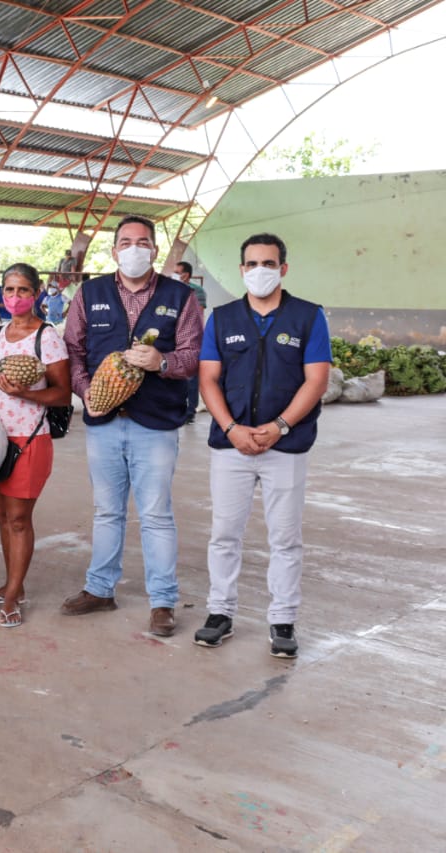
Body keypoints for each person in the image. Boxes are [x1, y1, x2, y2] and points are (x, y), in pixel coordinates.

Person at [60, 215, 203, 637]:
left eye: (143, 242)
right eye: (126, 241)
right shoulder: (90, 293)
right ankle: (100, 589)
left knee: (156, 513)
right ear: (114, 250)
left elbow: (195, 354)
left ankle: (162, 601)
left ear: (155, 250)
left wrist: (163, 362)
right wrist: (87, 392)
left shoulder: (181, 296)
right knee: (107, 511)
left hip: (155, 423)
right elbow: (74, 349)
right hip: (104, 422)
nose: (134, 248)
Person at [194, 233, 331, 660]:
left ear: (283, 269)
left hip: (285, 446)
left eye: (268, 264)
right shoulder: (222, 317)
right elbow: (208, 379)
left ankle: (283, 620)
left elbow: (317, 379)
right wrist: (232, 427)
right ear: (241, 270)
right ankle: (220, 613)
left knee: (285, 538)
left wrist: (280, 427)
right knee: (224, 534)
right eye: (251, 264)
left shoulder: (309, 317)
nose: (259, 272)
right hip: (230, 445)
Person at [0, 263, 71, 627]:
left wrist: (27, 394)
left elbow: (63, 394)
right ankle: (11, 583)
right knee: (1, 516)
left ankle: (14, 595)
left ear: (37, 294)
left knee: (18, 519)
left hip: (30, 436)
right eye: (10, 290)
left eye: (23, 291)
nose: (15, 298)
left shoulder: (46, 336)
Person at [174, 261, 206, 424]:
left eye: (177, 272)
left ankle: (190, 410)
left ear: (185, 274)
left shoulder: (196, 291)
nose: (174, 274)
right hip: (172, 336)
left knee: (191, 375)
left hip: (192, 336)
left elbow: (197, 316)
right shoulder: (169, 290)